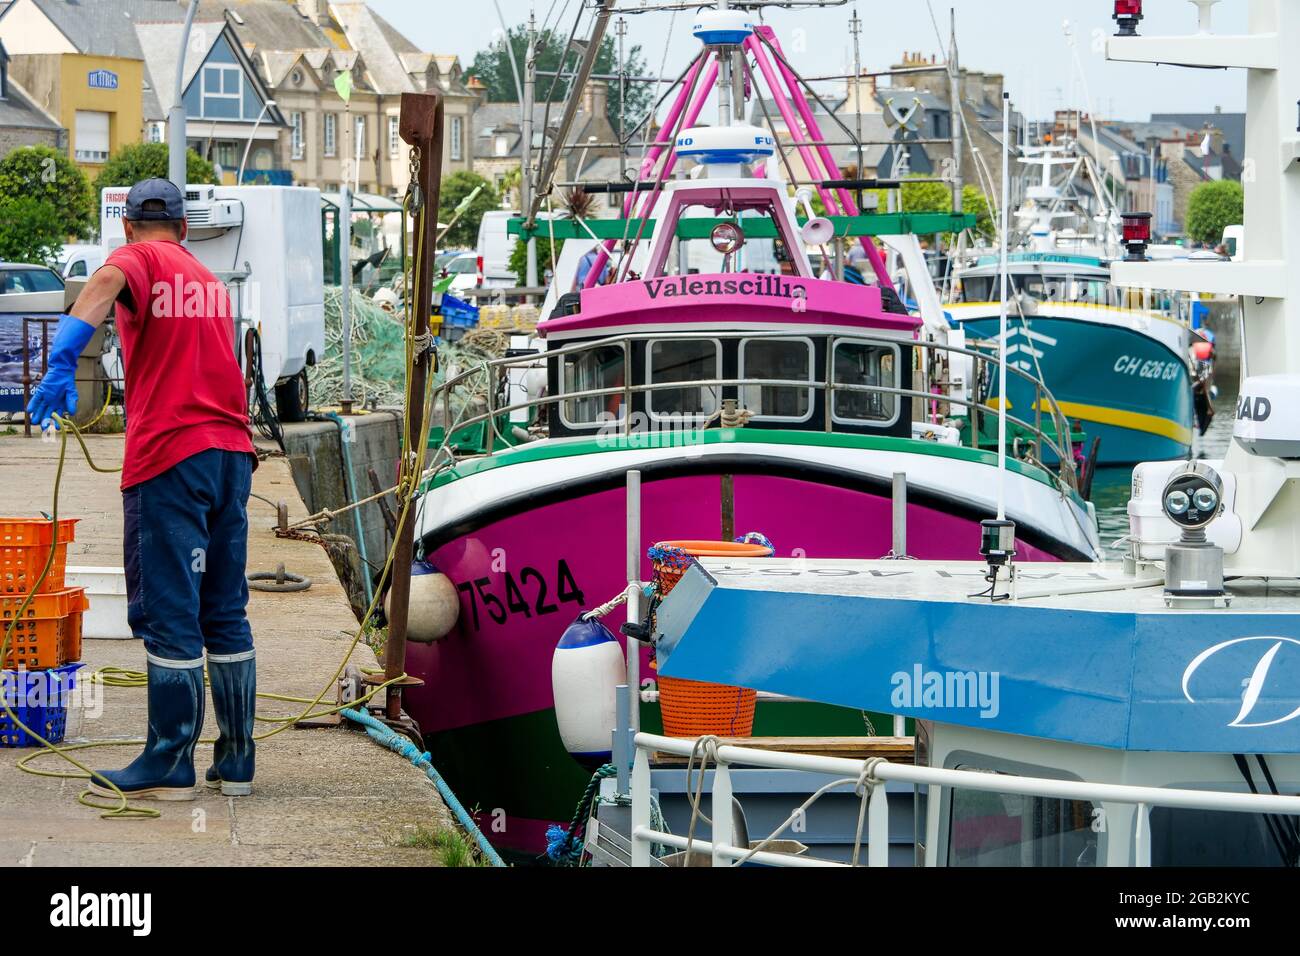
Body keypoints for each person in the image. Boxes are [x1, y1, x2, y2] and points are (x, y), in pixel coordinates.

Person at [26, 179, 258, 801]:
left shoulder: (135, 259)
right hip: (232, 454)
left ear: (128, 227)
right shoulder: (207, 283)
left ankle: (169, 755)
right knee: (226, 610)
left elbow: (102, 286)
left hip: (172, 457)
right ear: (184, 228)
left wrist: (60, 365)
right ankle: (236, 759)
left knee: (170, 611)